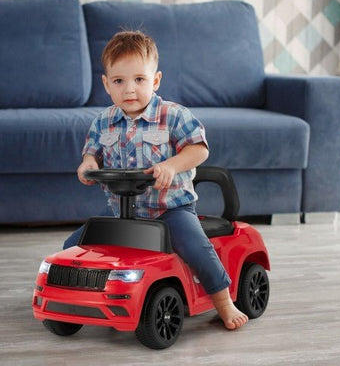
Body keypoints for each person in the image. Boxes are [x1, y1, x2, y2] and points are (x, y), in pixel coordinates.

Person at [63, 30, 248, 330]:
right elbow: (91, 154)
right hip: (124, 216)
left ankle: (224, 302)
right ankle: (79, 299)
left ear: (156, 80)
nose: (130, 89)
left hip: (170, 212)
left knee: (195, 246)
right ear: (106, 84)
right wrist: (87, 166)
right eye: (119, 81)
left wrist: (173, 165)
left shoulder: (173, 115)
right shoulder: (103, 122)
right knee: (74, 246)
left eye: (139, 79)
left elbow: (198, 149)